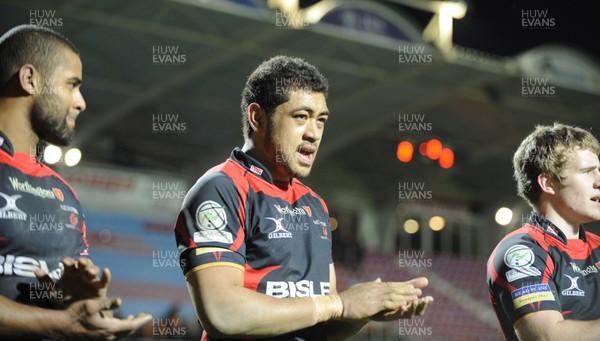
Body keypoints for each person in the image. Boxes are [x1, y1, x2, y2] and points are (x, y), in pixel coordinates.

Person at [175, 55, 433, 340]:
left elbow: (322, 328)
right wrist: (340, 304)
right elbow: (223, 313)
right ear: (257, 117)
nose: (314, 133)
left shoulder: (315, 205)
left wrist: (360, 313)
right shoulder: (221, 189)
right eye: (301, 117)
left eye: (321, 120)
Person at [0, 24, 151, 340]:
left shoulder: (63, 193)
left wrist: (89, 307)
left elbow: (72, 313)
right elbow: (62, 323)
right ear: (30, 80)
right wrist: (61, 324)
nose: (81, 102)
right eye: (72, 85)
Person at [487, 123, 600, 340]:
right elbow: (547, 337)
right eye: (586, 172)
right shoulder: (521, 251)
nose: (599, 181)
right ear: (548, 183)